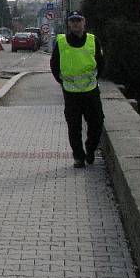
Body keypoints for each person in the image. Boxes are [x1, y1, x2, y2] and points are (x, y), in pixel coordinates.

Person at [50, 10, 105, 168]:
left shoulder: (93, 40)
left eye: (78, 20)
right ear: (69, 23)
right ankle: (78, 157)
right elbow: (54, 65)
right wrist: (62, 83)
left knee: (97, 123)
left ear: (84, 22)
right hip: (70, 92)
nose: (75, 23)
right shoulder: (61, 42)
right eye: (72, 20)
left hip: (91, 91)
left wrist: (94, 79)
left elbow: (101, 63)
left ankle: (90, 149)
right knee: (74, 127)